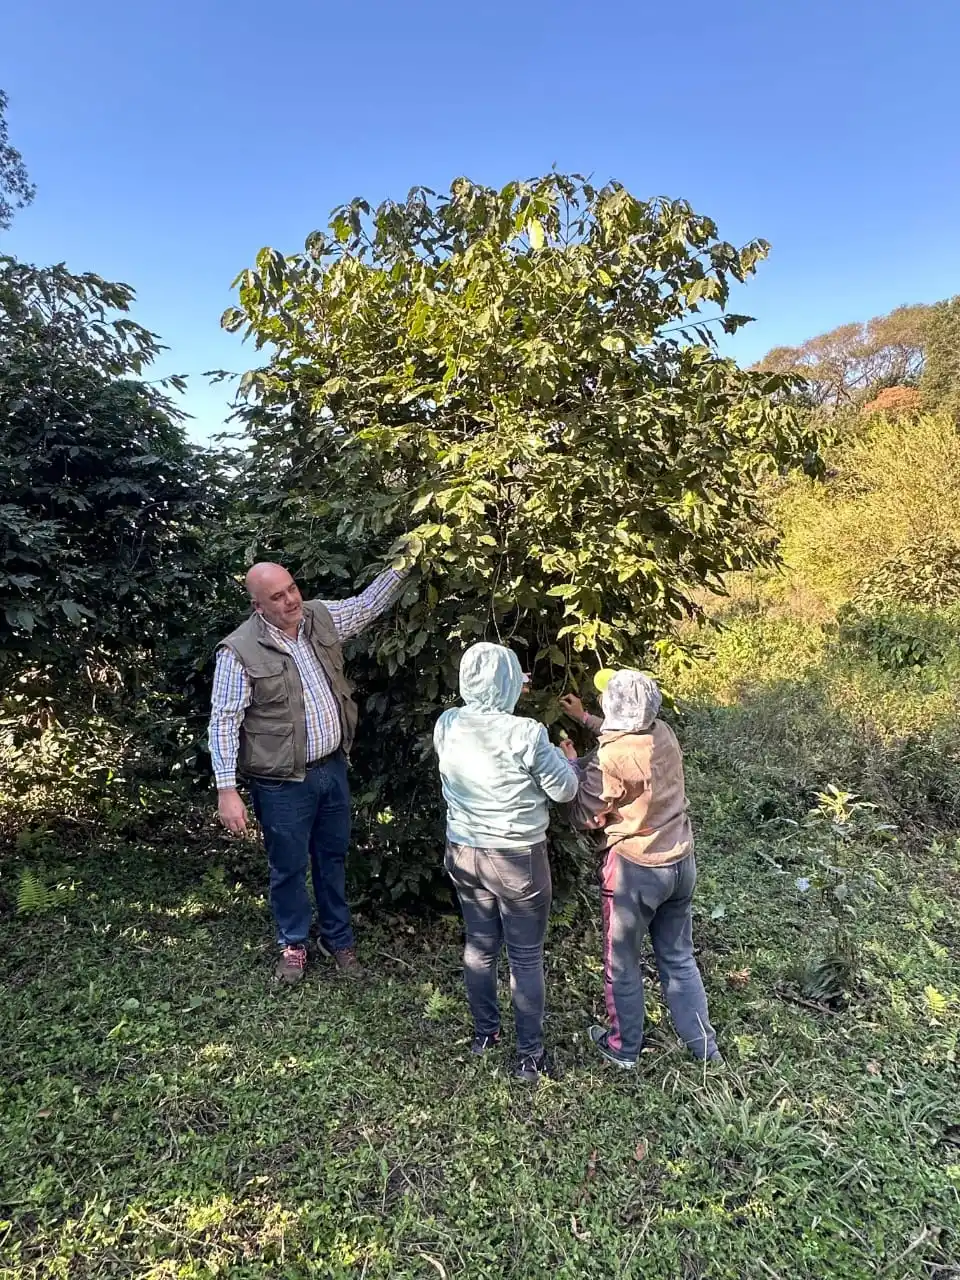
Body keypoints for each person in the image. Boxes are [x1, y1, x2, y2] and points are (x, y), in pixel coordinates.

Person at [209, 558, 409, 984]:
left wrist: (407, 560)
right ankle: (293, 943)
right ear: (258, 606)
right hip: (280, 784)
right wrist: (227, 789)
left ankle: (338, 939)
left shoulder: (318, 615)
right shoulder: (238, 650)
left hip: (332, 768)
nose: (290, 600)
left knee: (332, 859)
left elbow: (367, 605)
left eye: (292, 588)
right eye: (277, 596)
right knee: (288, 865)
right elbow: (223, 721)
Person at [560, 670, 720, 1068]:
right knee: (679, 957)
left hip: (636, 871)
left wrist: (570, 769)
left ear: (614, 707)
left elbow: (585, 814)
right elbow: (627, 740)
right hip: (681, 862)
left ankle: (623, 1048)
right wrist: (584, 720)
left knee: (622, 962)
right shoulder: (662, 732)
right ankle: (705, 1049)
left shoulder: (609, 759)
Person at [434, 643, 579, 1082]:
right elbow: (565, 790)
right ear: (512, 681)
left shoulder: (448, 723)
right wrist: (568, 761)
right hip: (517, 857)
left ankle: (484, 1035)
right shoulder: (528, 733)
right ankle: (529, 1056)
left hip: (463, 850)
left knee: (479, 945)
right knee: (525, 956)